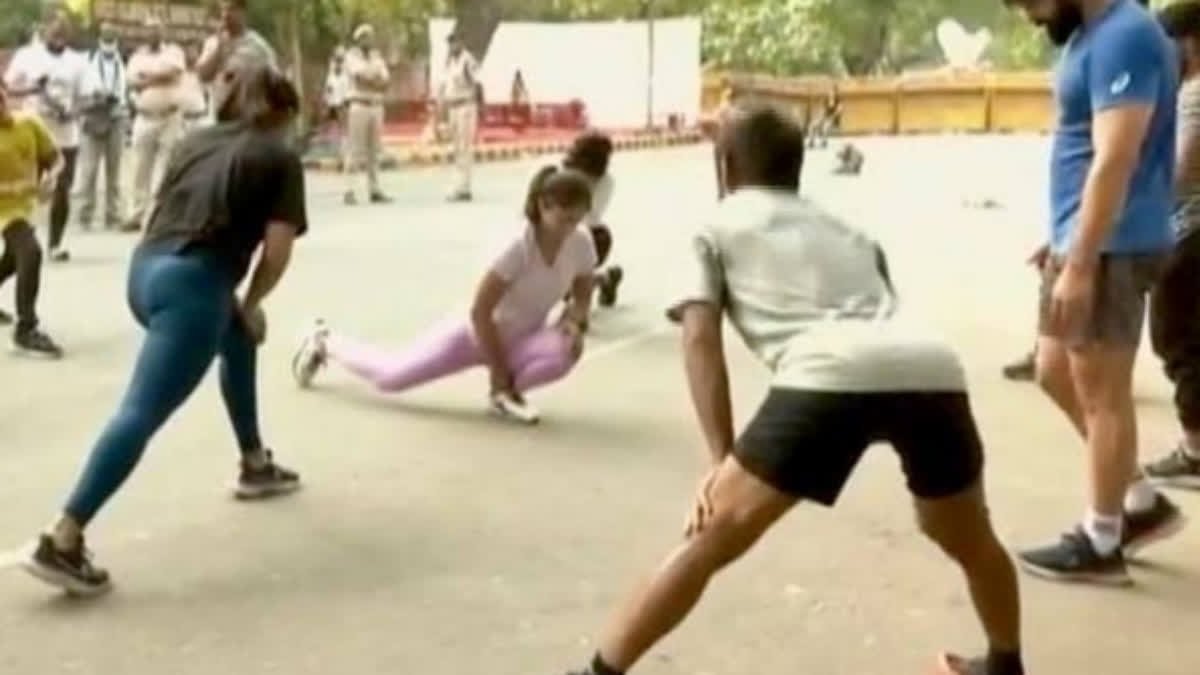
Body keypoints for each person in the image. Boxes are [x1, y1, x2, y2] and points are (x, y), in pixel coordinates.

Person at [556, 104, 1024, 675]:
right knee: (967, 535)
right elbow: (880, 311)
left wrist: (719, 459)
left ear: (725, 167)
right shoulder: (850, 229)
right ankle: (1005, 665)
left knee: (710, 536)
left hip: (827, 375)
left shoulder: (715, 225)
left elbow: (700, 338)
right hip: (932, 371)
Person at [19, 65, 307, 596]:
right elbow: (278, 250)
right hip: (193, 286)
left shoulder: (195, 141)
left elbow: (157, 210)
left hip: (146, 271)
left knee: (237, 336)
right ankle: (62, 537)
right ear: (282, 114)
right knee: (140, 412)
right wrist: (251, 301)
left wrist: (234, 309)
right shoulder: (279, 155)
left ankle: (254, 462)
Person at [1003, 0, 1186, 586]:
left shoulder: (1125, 35)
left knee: (1104, 394)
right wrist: (1062, 237)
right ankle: (1137, 499)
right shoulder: (1094, 35)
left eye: (1028, 2)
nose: (1028, 16)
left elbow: (1116, 157)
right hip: (1088, 238)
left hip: (1114, 244)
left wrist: (1081, 257)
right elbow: (1086, 152)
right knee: (1054, 368)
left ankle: (1102, 539)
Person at [292, 165, 597, 425]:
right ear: (543, 206)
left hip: (522, 338)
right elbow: (480, 312)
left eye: (577, 219)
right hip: (475, 334)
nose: (570, 229)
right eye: (564, 219)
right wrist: (499, 369)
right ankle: (325, 340)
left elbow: (585, 280)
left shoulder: (580, 241)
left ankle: (503, 396)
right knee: (391, 378)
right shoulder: (518, 247)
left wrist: (576, 316)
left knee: (565, 350)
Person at [1143, 0, 1200, 490]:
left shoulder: (1194, 94)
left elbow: (1180, 171)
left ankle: (1196, 449)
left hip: (1189, 232)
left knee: (1176, 337)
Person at [3, 12, 85, 263]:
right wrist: (32, 88)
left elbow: (86, 96)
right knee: (28, 190)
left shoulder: (77, 61)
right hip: (33, 131)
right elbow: (5, 88)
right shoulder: (28, 56)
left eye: (64, 32)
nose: (59, 37)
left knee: (62, 188)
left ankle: (55, 243)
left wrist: (73, 111)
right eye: (54, 31)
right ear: (44, 29)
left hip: (65, 133)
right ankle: (22, 238)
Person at [0, 84, 64, 357]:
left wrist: (52, 176)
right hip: (4, 210)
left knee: (15, 260)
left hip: (26, 207)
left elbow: (55, 158)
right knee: (31, 252)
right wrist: (13, 189)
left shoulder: (28, 123)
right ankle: (26, 328)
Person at [125, 17, 186, 232]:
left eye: (157, 30)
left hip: (170, 117)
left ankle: (158, 214)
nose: (153, 34)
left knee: (164, 168)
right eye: (149, 30)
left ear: (164, 32)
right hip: (144, 117)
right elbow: (132, 82)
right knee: (140, 168)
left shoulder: (174, 52)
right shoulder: (137, 57)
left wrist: (148, 78)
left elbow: (174, 74)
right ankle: (136, 214)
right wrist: (159, 77)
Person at [74, 23, 128, 232]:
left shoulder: (120, 63)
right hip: (93, 117)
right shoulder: (87, 62)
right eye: (105, 40)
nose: (108, 44)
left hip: (116, 118)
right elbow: (80, 93)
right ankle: (85, 215)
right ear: (99, 40)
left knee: (114, 170)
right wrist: (97, 96)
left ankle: (112, 215)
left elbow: (123, 91)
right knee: (89, 170)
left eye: (112, 40)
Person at [562, 131, 623, 308]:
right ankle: (605, 278)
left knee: (564, 289)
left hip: (590, 237)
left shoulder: (604, 182)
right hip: (560, 234)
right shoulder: (560, 174)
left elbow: (586, 217)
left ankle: (597, 280)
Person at [195, 0, 278, 117]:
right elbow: (202, 76)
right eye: (223, 9)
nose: (226, 15)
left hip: (248, 121)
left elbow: (274, 83)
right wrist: (219, 49)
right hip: (219, 120)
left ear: (243, 12)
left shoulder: (258, 47)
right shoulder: (213, 43)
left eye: (231, 9)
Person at [341, 25, 392, 206]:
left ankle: (374, 189)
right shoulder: (351, 57)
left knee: (374, 150)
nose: (368, 40)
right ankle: (349, 189)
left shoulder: (377, 57)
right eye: (365, 37)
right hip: (359, 105)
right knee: (355, 149)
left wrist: (374, 80)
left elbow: (385, 80)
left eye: (370, 37)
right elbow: (360, 77)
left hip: (376, 105)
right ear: (358, 39)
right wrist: (374, 78)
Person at [440, 31, 479, 202]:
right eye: (450, 43)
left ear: (462, 43)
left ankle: (464, 187)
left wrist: (479, 106)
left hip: (465, 106)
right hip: (453, 107)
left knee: (464, 148)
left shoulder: (467, 61)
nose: (452, 46)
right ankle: (459, 184)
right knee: (456, 148)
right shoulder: (449, 62)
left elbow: (477, 84)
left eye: (455, 42)